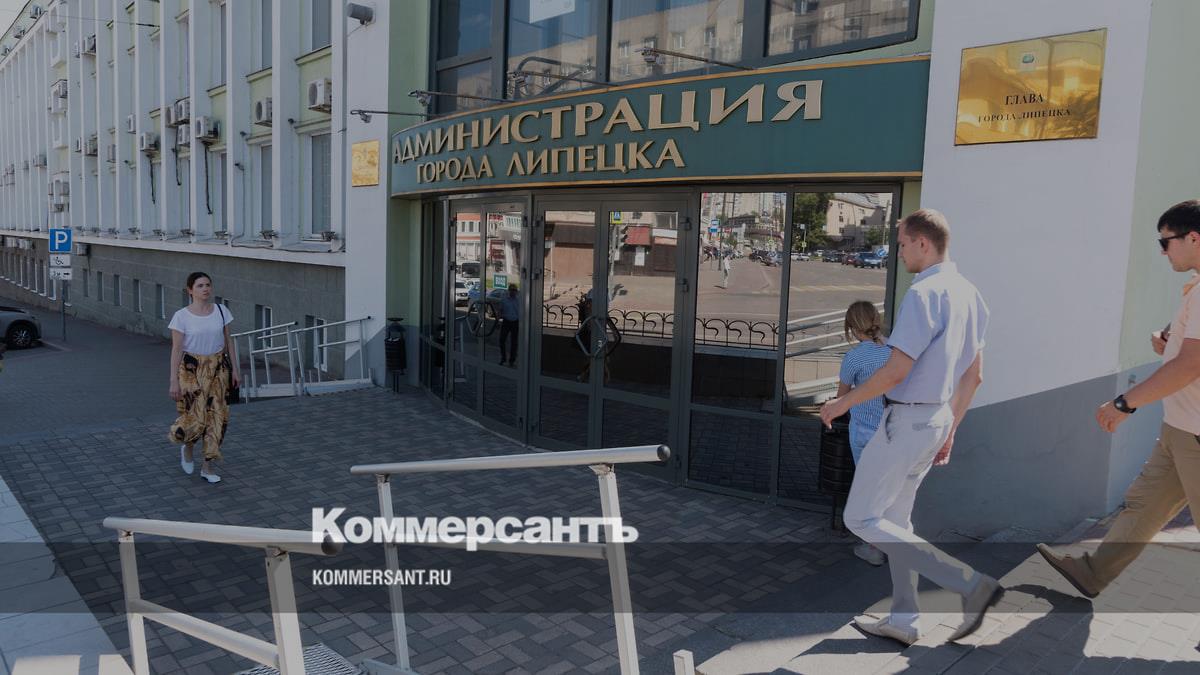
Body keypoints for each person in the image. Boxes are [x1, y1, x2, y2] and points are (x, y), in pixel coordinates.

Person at [819, 208, 1000, 647]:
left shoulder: (924, 294)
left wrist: (842, 402)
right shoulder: (971, 294)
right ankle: (904, 619)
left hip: (906, 421)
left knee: (860, 517)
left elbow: (897, 370)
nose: (899, 253)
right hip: (936, 419)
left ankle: (969, 584)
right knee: (896, 522)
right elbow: (974, 376)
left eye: (901, 244)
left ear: (923, 243)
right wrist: (951, 429)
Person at [1037, 200, 1200, 599]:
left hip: (1195, 434)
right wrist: (1170, 341)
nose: (1162, 251)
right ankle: (1093, 573)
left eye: (1165, 242)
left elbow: (1190, 365)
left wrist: (1125, 403)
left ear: (1194, 238)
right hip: (1181, 427)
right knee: (1144, 505)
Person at [168, 272, 239, 484]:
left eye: (207, 284)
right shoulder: (181, 316)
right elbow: (176, 350)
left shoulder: (221, 311)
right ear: (190, 290)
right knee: (195, 417)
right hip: (192, 371)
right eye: (200, 286)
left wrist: (235, 370)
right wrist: (173, 380)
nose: (205, 289)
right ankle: (187, 447)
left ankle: (207, 467)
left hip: (218, 369)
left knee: (217, 418)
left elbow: (229, 342)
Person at [837, 300, 892, 567]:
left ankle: (874, 548)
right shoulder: (894, 350)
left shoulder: (855, 357)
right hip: (894, 430)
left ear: (851, 327)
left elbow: (841, 398)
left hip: (865, 431)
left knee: (870, 490)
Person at [498, 284, 520, 366]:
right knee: (502, 340)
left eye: (514, 290)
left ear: (516, 291)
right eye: (511, 290)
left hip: (515, 322)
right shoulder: (504, 299)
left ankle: (512, 360)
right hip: (506, 322)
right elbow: (500, 310)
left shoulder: (519, 300)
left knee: (514, 342)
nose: (513, 292)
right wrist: (498, 321)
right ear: (509, 290)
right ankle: (503, 358)